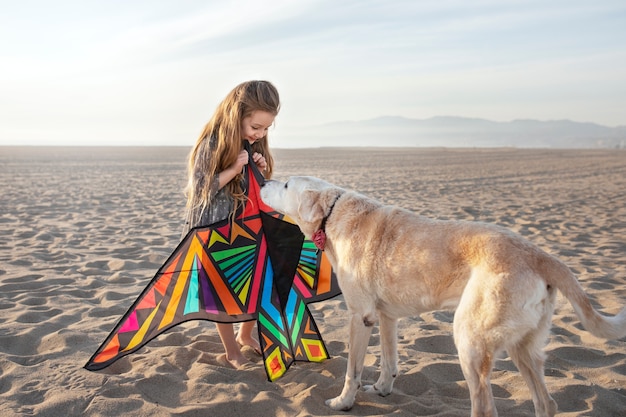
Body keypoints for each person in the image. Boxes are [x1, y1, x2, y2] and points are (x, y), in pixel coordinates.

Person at [181, 80, 280, 368]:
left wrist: (258, 170)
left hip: (246, 223)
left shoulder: (251, 142)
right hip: (215, 228)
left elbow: (258, 186)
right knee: (221, 287)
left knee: (255, 279)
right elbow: (198, 190)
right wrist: (234, 169)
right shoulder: (211, 144)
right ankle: (231, 351)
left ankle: (245, 336)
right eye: (255, 127)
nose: (260, 134)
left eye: (265, 129)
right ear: (236, 116)